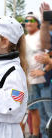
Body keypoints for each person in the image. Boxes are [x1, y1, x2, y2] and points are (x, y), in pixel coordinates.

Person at [24, 3, 52, 138]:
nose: (28, 22)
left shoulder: (43, 35)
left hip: (45, 81)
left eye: (31, 20)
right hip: (31, 81)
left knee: (48, 112)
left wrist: (45, 71)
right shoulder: (25, 38)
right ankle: (38, 135)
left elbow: (49, 54)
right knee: (37, 112)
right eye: (26, 20)